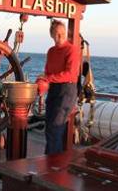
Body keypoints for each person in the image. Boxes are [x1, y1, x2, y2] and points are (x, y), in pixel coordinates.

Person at [36, 19, 80, 155]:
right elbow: (48, 72)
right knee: (49, 128)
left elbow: (70, 74)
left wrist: (48, 78)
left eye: (62, 33)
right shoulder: (51, 51)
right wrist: (41, 81)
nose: (60, 36)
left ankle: (53, 165)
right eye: (57, 33)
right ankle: (50, 160)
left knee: (55, 128)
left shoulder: (72, 50)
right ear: (51, 35)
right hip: (54, 90)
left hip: (67, 91)